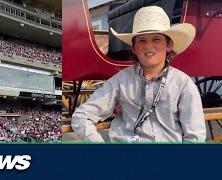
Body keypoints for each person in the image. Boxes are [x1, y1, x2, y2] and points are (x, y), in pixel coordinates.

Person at [71, 6, 206, 142]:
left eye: (156, 39)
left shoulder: (183, 84)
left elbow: (195, 137)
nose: (148, 46)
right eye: (142, 40)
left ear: (169, 45)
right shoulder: (121, 80)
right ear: (134, 48)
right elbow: (82, 116)